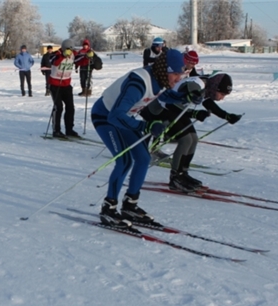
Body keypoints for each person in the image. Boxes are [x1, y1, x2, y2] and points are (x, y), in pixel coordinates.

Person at [91, 49, 202, 229]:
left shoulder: (160, 78)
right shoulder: (138, 83)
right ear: (165, 69)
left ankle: (130, 205)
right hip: (106, 117)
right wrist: (145, 126)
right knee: (124, 161)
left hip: (124, 118)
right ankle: (109, 207)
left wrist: (184, 96)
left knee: (143, 158)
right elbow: (115, 116)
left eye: (182, 74)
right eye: (176, 74)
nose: (178, 79)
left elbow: (163, 94)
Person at [145, 73, 242, 192]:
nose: (222, 98)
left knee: (193, 139)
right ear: (215, 87)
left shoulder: (207, 85)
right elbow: (172, 104)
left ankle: (183, 173)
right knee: (185, 139)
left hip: (177, 110)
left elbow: (208, 103)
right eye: (222, 94)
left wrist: (226, 116)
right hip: (161, 109)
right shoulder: (195, 84)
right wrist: (194, 114)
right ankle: (175, 177)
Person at [49, 39, 78, 138]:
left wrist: (90, 56)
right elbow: (53, 61)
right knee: (58, 107)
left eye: (71, 49)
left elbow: (81, 59)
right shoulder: (56, 54)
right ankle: (56, 130)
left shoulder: (73, 54)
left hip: (66, 85)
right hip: (55, 85)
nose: (70, 51)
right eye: (68, 49)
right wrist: (62, 56)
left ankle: (69, 129)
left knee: (70, 108)